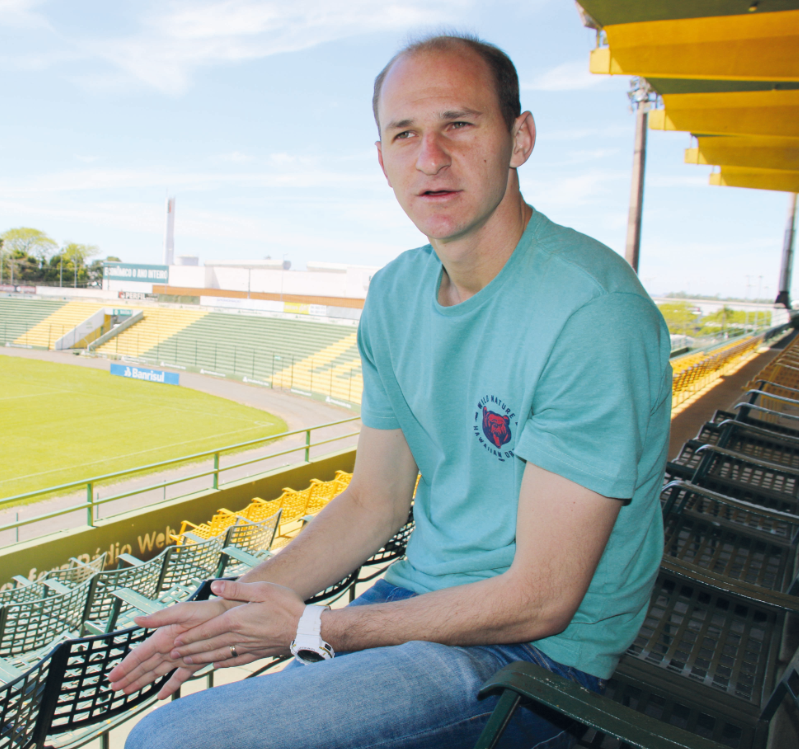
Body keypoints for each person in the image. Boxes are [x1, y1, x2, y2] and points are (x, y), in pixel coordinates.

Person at [109, 33, 671, 749]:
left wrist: (315, 627)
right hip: (421, 595)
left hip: (535, 657)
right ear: (382, 160)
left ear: (520, 138)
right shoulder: (395, 293)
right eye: (405, 134)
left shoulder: (592, 311)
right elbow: (373, 502)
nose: (430, 157)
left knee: (174, 741)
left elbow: (541, 600)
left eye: (458, 124)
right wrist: (233, 608)